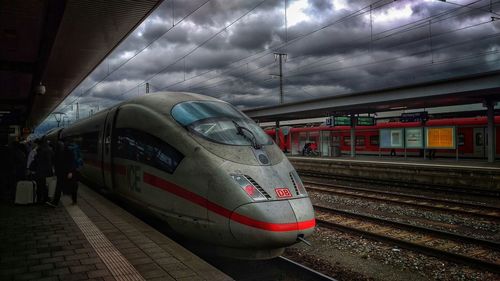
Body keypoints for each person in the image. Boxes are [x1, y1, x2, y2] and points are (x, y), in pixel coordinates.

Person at [47, 140, 78, 206]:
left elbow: (72, 162)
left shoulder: (68, 152)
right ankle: (55, 202)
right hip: (61, 173)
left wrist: (70, 172)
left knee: (72, 187)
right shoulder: (58, 152)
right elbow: (55, 163)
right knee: (59, 187)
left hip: (68, 173)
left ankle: (74, 200)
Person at [33, 137, 54, 203]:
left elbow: (37, 160)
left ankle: (40, 199)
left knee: (40, 185)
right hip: (48, 171)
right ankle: (46, 198)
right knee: (46, 185)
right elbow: (52, 160)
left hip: (41, 171)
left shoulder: (40, 150)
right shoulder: (50, 150)